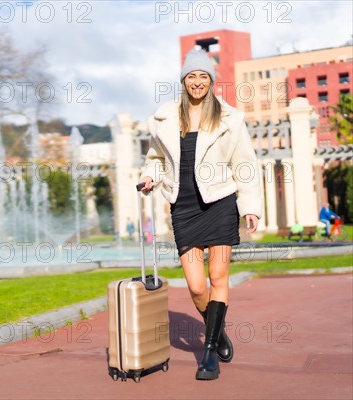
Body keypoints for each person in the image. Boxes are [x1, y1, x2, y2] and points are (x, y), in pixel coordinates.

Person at [138, 48, 262, 381]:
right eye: (191, 76)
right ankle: (217, 331)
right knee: (195, 287)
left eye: (203, 76)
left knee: (218, 277)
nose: (197, 82)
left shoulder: (229, 118)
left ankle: (208, 354)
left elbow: (245, 165)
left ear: (210, 81)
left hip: (220, 203)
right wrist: (149, 174)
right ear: (183, 81)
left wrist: (249, 206)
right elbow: (154, 158)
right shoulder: (165, 117)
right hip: (184, 206)